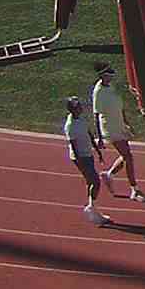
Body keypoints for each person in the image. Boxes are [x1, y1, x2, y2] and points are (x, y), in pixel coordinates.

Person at [89, 65, 142, 201]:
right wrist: (99, 137)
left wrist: (126, 123)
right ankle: (134, 189)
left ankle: (109, 174)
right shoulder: (98, 92)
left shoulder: (110, 86)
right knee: (128, 157)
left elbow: (120, 106)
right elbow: (96, 114)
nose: (111, 78)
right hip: (110, 128)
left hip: (119, 124)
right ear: (102, 76)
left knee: (125, 156)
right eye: (108, 75)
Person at [64, 97, 110, 228]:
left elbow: (89, 134)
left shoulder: (81, 119)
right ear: (73, 110)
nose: (81, 108)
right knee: (96, 181)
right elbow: (73, 146)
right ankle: (91, 207)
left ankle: (91, 207)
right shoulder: (70, 126)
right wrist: (81, 162)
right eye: (78, 107)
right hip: (81, 157)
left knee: (91, 182)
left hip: (88, 154)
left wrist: (97, 150)